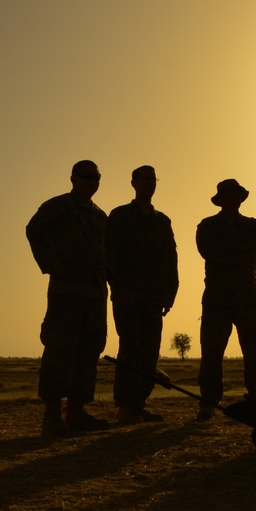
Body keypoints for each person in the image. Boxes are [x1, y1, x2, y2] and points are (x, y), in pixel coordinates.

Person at [26, 160, 111, 436]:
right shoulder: (57, 207)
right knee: (60, 350)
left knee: (88, 353)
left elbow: (108, 254)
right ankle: (51, 417)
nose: (92, 181)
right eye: (87, 176)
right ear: (73, 178)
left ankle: (76, 413)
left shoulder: (100, 217)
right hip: (67, 295)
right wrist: (54, 265)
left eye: (96, 177)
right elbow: (35, 230)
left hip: (95, 295)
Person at [106, 165, 179, 424]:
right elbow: (110, 256)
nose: (150, 183)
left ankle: (137, 405)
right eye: (145, 179)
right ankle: (124, 407)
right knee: (129, 350)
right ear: (133, 183)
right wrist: (118, 289)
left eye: (153, 179)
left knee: (149, 353)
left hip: (154, 298)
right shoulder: (119, 216)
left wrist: (171, 292)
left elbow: (171, 259)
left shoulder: (162, 221)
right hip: (128, 297)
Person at [195, 179, 256, 421]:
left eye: (236, 194)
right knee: (212, 354)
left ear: (240, 198)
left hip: (246, 298)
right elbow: (209, 253)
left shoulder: (254, 226)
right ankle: (208, 403)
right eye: (228, 194)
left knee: (252, 352)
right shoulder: (207, 226)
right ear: (221, 199)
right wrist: (238, 252)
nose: (232, 198)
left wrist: (227, 252)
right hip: (217, 299)